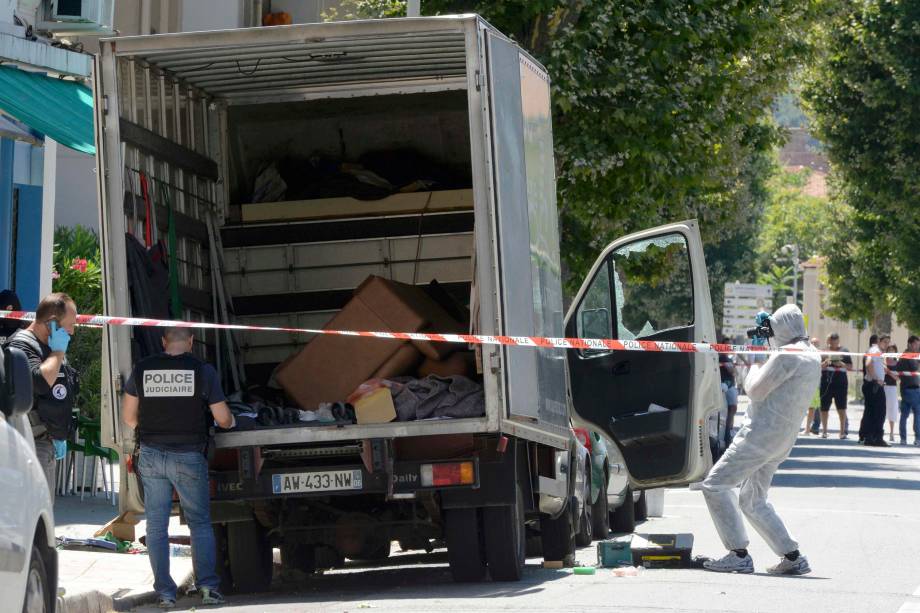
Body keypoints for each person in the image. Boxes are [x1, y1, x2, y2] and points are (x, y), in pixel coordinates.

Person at [701, 304, 820, 575]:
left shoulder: (787, 356)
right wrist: (768, 344)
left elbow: (754, 390)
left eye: (773, 328)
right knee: (754, 499)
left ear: (782, 329)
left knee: (715, 484)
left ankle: (737, 553)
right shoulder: (811, 354)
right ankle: (792, 556)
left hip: (759, 435)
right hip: (782, 439)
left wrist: (756, 356)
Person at [122, 327, 234, 609]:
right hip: (188, 455)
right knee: (199, 523)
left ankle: (165, 594)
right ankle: (207, 588)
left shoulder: (144, 369)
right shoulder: (202, 371)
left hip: (150, 453)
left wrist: (152, 432)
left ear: (163, 343)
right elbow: (222, 419)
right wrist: (231, 422)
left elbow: (128, 416)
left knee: (156, 526)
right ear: (191, 342)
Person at [4, 293, 79, 498]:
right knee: (37, 514)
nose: (72, 332)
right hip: (32, 443)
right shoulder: (20, 345)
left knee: (45, 510)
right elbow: (39, 383)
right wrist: (57, 353)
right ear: (52, 323)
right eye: (69, 325)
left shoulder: (51, 346)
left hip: (47, 441)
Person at [819, 333, 852, 439]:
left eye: (835, 342)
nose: (833, 344)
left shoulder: (844, 351)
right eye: (831, 342)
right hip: (826, 382)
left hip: (841, 383)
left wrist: (840, 364)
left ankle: (842, 432)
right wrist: (825, 362)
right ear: (828, 341)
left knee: (841, 408)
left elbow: (850, 367)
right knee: (824, 408)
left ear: (838, 341)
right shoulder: (823, 352)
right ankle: (824, 431)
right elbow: (817, 366)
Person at [859, 334, 890, 447]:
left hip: (872, 385)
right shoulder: (875, 350)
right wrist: (876, 379)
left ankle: (868, 437)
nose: (886, 345)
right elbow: (868, 363)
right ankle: (876, 437)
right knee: (879, 412)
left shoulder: (877, 351)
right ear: (879, 341)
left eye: (888, 342)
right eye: (885, 342)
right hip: (874, 385)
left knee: (871, 411)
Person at [895, 335, 920, 446]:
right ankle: (917, 438)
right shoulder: (909, 355)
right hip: (911, 389)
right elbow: (914, 368)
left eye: (918, 345)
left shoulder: (903, 356)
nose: (917, 347)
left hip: (906, 388)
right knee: (917, 414)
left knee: (904, 415)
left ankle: (903, 438)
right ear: (909, 344)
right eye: (915, 344)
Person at [719, 339, 739, 446]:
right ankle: (727, 433)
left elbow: (735, 373)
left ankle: (729, 431)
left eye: (730, 346)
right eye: (727, 345)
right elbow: (733, 372)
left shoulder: (728, 358)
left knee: (733, 408)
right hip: (724, 387)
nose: (729, 347)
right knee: (731, 409)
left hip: (730, 386)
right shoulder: (719, 357)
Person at [804, 337, 822, 436]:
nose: (813, 345)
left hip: (815, 384)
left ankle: (808, 429)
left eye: (816, 343)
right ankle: (807, 429)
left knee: (812, 408)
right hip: (805, 383)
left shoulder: (819, 354)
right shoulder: (806, 353)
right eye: (812, 343)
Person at [884, 344, 900, 442]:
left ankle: (891, 432)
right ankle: (880, 431)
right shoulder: (883, 361)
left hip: (892, 388)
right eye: (889, 349)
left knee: (892, 409)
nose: (891, 351)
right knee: (882, 409)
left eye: (892, 350)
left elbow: (898, 378)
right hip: (883, 387)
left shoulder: (897, 363)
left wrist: (889, 372)